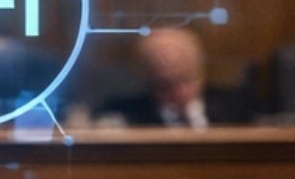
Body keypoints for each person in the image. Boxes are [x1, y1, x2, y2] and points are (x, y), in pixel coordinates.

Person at [90, 26, 250, 129]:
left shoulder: (237, 109)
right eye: (164, 85)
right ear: (147, 79)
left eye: (185, 80)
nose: (177, 92)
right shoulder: (125, 115)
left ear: (200, 72)